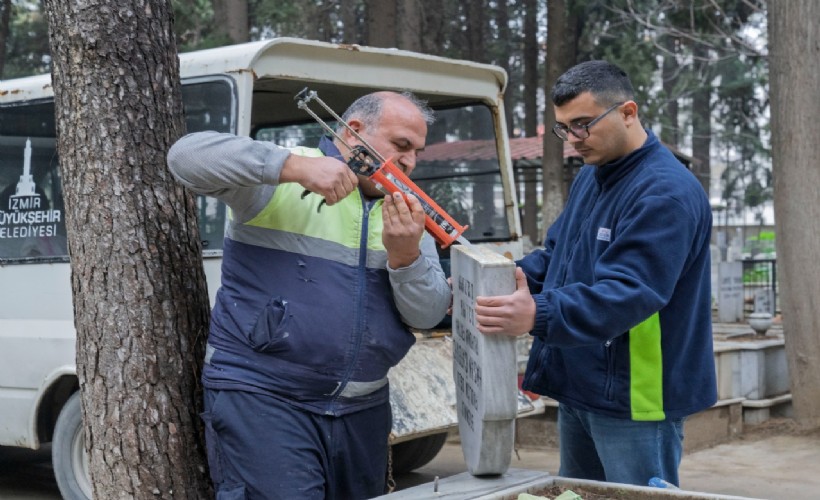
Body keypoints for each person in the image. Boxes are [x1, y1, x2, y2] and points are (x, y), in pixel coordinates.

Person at [167, 91, 450, 499]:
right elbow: (184, 157)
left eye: (417, 152)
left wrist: (405, 256)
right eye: (401, 145)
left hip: (362, 408)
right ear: (353, 132)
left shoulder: (408, 211)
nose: (409, 161)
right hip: (264, 400)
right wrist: (293, 167)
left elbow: (426, 315)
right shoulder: (283, 175)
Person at [473, 60, 716, 488]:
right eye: (564, 128)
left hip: (635, 398)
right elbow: (556, 256)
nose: (572, 140)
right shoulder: (593, 176)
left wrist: (537, 315)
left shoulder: (665, 192)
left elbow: (630, 291)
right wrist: (499, 278)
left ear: (628, 112)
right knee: (580, 496)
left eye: (583, 124)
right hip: (583, 381)